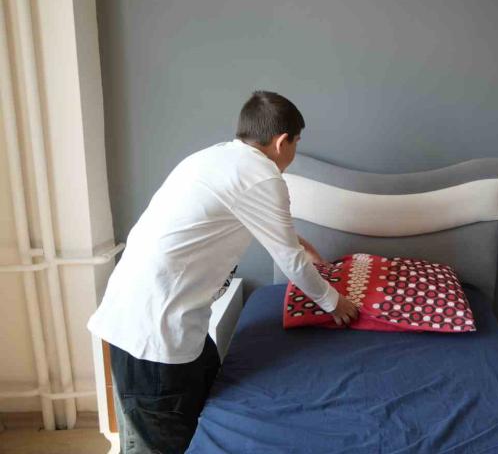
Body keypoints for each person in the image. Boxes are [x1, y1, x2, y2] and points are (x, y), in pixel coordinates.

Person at [88, 91, 359, 453]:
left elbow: (267, 230)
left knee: (203, 389)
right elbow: (291, 262)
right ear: (282, 142)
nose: (294, 152)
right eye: (297, 142)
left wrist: (300, 245)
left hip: (140, 316)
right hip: (155, 338)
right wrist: (336, 303)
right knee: (162, 443)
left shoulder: (214, 159)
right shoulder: (263, 177)